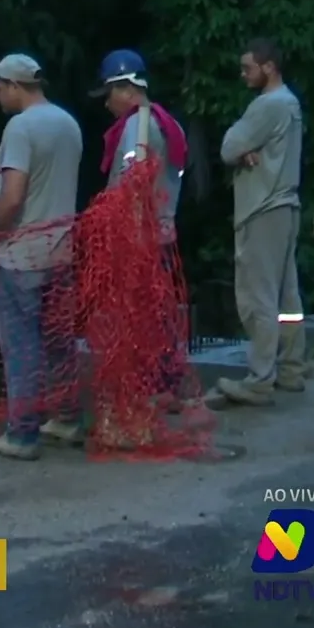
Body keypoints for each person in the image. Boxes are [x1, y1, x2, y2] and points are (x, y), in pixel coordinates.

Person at [0, 54, 84, 460]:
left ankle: (22, 434)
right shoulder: (68, 124)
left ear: (15, 85)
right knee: (59, 342)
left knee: (20, 346)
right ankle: (69, 418)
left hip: (20, 256)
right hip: (61, 253)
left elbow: (13, 196)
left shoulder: (20, 128)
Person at [90, 49, 190, 408]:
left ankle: (152, 390)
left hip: (138, 237)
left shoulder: (139, 125)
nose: (107, 105)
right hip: (161, 234)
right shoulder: (169, 123)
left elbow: (134, 182)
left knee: (142, 316)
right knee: (160, 313)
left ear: (126, 88)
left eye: (108, 95)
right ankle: (166, 385)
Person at [215, 37, 307, 406]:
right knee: (287, 296)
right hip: (285, 206)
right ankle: (290, 368)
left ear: (268, 67)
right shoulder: (290, 103)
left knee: (258, 296)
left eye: (248, 67)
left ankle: (260, 379)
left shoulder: (267, 106)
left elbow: (227, 147)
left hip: (262, 208)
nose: (243, 74)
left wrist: (242, 150)